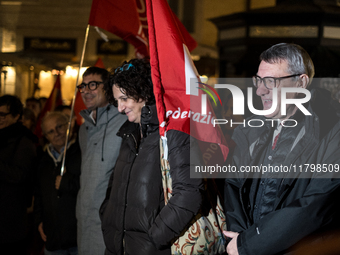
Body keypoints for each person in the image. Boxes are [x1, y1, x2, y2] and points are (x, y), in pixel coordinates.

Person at [224, 43, 340, 255]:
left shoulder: (332, 131)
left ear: (301, 82)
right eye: (258, 80)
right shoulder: (249, 130)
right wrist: (241, 239)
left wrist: (250, 244)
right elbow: (233, 186)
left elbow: (315, 204)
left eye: (271, 81)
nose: (260, 90)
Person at [100, 58, 205, 255]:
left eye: (124, 99)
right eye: (117, 101)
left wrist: (155, 238)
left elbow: (190, 193)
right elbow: (115, 186)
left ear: (143, 93)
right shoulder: (129, 133)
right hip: (116, 248)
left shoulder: (173, 132)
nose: (120, 108)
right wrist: (107, 220)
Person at [76, 66, 127, 255]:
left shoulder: (124, 120)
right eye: (83, 86)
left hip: (109, 222)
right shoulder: (84, 129)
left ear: (107, 87)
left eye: (93, 85)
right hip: (84, 219)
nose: (86, 91)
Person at [34, 112, 80, 255]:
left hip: (78, 238)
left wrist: (67, 182)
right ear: (46, 136)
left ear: (69, 125)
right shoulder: (42, 160)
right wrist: (39, 221)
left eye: (59, 127)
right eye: (51, 131)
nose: (57, 133)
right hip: (53, 240)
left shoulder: (82, 151)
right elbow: (39, 195)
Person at [0, 95, 37, 255]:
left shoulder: (24, 141)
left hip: (10, 221)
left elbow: (19, 175)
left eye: (2, 115)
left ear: (16, 116)